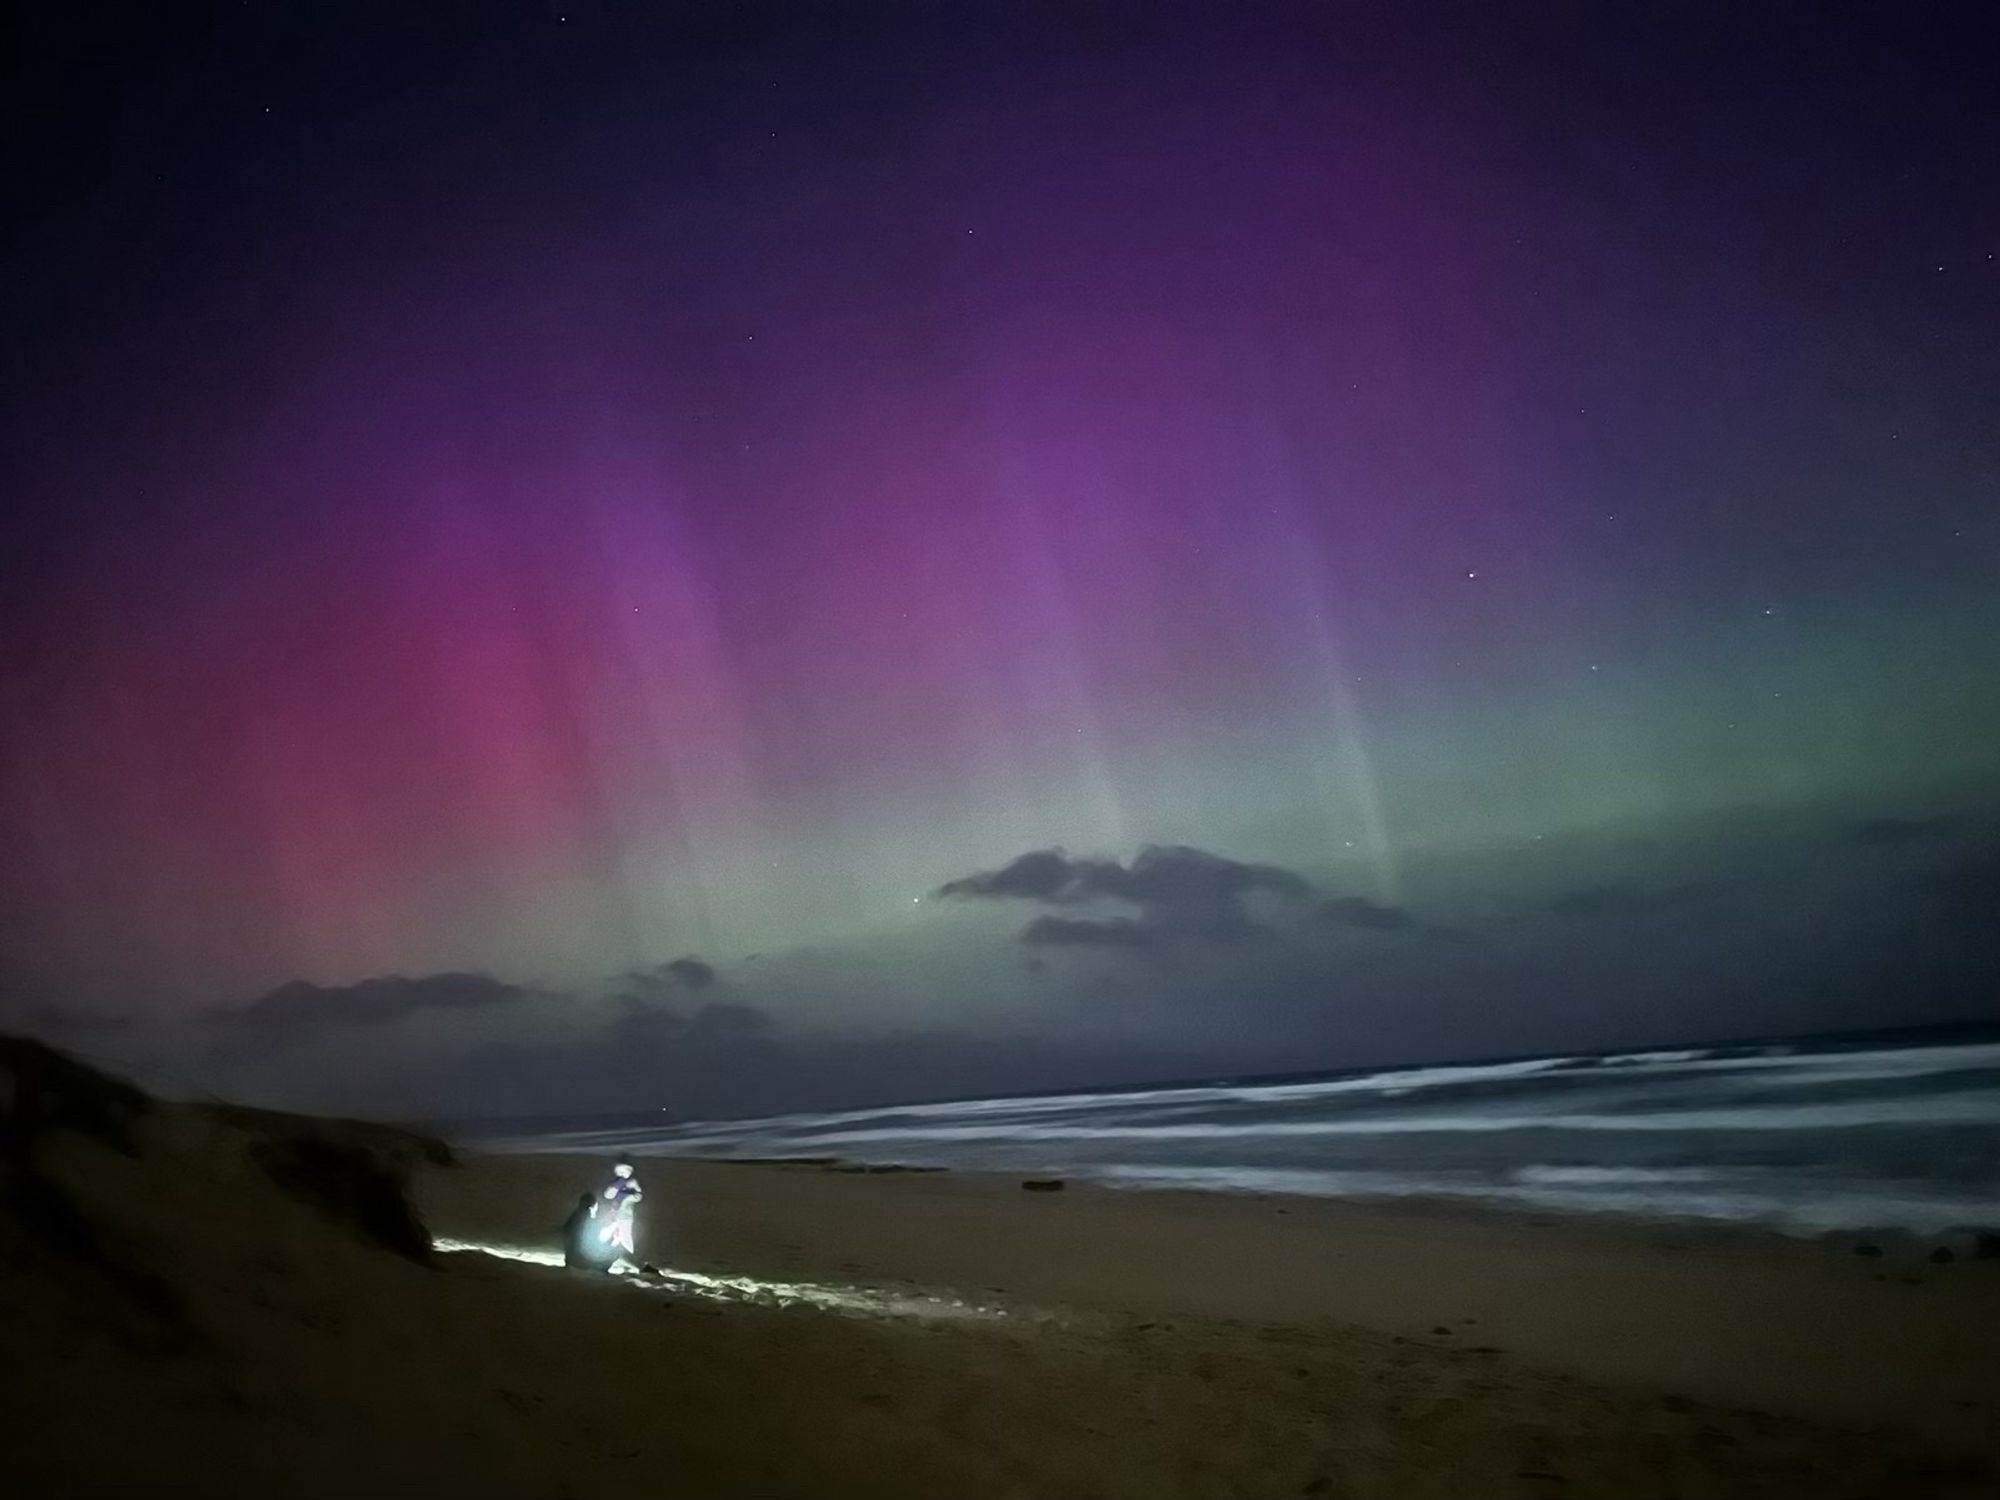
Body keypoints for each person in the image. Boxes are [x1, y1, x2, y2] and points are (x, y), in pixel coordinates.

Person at [598, 1159, 643, 1264]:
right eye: (620, 1172)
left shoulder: (632, 1185)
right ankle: (608, 1253)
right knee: (611, 1233)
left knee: (625, 1236)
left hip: (624, 1216)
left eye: (625, 1172)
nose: (622, 1174)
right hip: (614, 1213)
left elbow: (638, 1196)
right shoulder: (617, 1184)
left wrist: (634, 1189)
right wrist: (618, 1185)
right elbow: (608, 1195)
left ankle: (628, 1257)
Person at [560, 1191, 602, 1271]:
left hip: (570, 1260)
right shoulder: (589, 1220)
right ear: (592, 1206)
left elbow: (566, 1231)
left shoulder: (575, 1215)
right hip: (583, 1263)